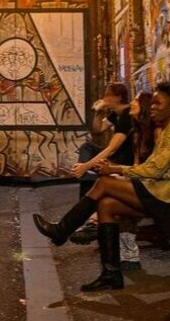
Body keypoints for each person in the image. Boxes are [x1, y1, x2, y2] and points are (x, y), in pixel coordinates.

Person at [33, 82, 170, 292]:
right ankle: (111, 274)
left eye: (158, 103)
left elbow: (154, 170)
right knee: (107, 206)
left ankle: (62, 229)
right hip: (159, 193)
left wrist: (116, 170)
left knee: (105, 183)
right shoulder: (165, 130)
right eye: (152, 103)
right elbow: (149, 168)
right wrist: (117, 170)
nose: (153, 107)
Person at [70, 82, 136, 243]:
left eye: (107, 95)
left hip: (122, 159)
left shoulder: (127, 116)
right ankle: (87, 176)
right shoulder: (115, 113)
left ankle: (87, 179)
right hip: (115, 155)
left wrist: (86, 165)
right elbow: (98, 129)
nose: (104, 98)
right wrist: (98, 112)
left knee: (88, 173)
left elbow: (112, 149)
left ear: (118, 97)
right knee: (87, 146)